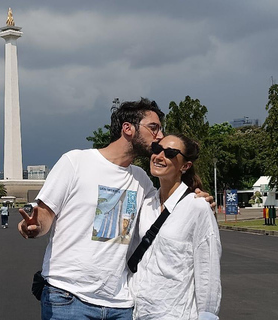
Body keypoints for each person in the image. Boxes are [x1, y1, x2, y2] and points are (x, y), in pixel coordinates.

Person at [18, 98, 213, 320]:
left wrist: (197, 197)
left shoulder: (141, 180)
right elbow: (45, 214)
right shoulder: (76, 162)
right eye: (153, 128)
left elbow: (166, 206)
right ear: (127, 128)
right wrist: (34, 226)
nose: (159, 136)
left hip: (121, 304)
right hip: (69, 296)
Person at [130, 135, 221, 319]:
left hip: (174, 313)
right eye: (156, 149)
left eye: (170, 153)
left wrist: (207, 315)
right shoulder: (146, 204)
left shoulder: (197, 206)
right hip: (136, 312)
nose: (159, 156)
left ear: (185, 166)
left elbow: (208, 269)